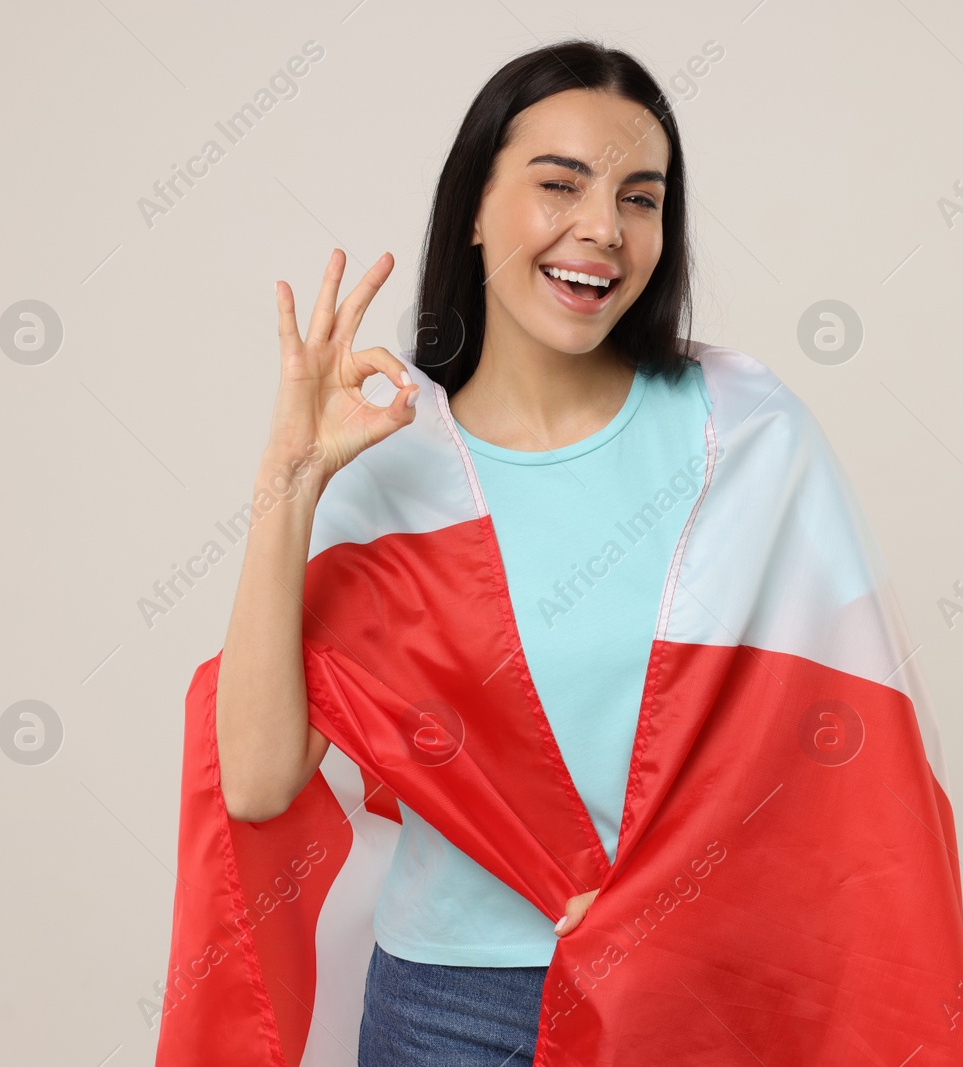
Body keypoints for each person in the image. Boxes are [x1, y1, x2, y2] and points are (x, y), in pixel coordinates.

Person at [212, 39, 703, 1066]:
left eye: (640, 197)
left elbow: (822, 735)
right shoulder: (401, 470)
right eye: (558, 183)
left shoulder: (731, 434)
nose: (602, 228)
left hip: (684, 979)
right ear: (474, 208)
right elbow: (258, 781)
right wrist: (291, 480)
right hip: (448, 1007)